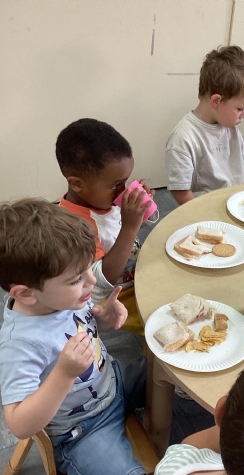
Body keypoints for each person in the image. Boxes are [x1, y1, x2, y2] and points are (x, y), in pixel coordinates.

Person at [0, 198, 149, 475]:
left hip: (114, 381)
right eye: (77, 279)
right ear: (26, 294)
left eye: (88, 269)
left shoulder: (61, 296)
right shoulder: (20, 345)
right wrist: (64, 374)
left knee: (172, 367)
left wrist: (104, 318)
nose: (92, 281)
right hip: (83, 428)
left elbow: (88, 326)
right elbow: (19, 424)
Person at [56, 118, 155, 335]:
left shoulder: (102, 200)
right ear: (77, 184)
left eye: (125, 181)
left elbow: (114, 229)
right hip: (113, 301)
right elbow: (103, 279)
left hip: (135, 278)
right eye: (116, 184)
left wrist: (141, 211)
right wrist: (130, 227)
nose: (123, 190)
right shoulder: (75, 228)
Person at [166, 45, 244, 205]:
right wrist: (202, 214)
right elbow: (180, 190)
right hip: (207, 208)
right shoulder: (183, 138)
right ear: (216, 101)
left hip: (238, 204)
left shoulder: (230, 127)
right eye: (240, 109)